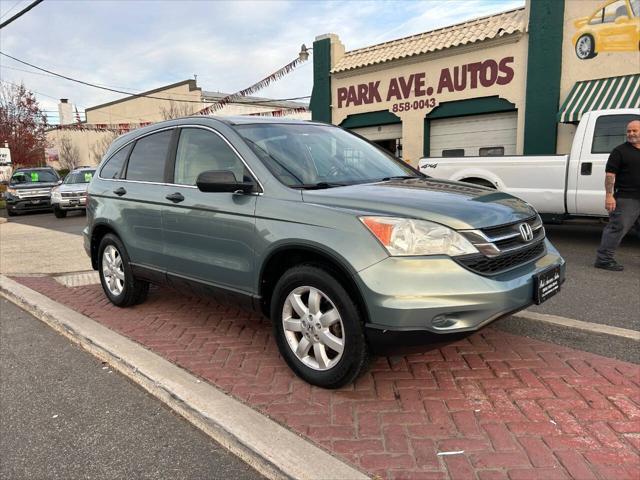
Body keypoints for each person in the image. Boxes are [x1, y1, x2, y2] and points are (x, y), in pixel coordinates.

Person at [594, 119, 640, 271]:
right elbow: (610, 175)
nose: (631, 133)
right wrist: (609, 195)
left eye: (635, 130)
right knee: (617, 228)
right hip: (626, 198)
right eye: (629, 131)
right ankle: (603, 259)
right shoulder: (620, 151)